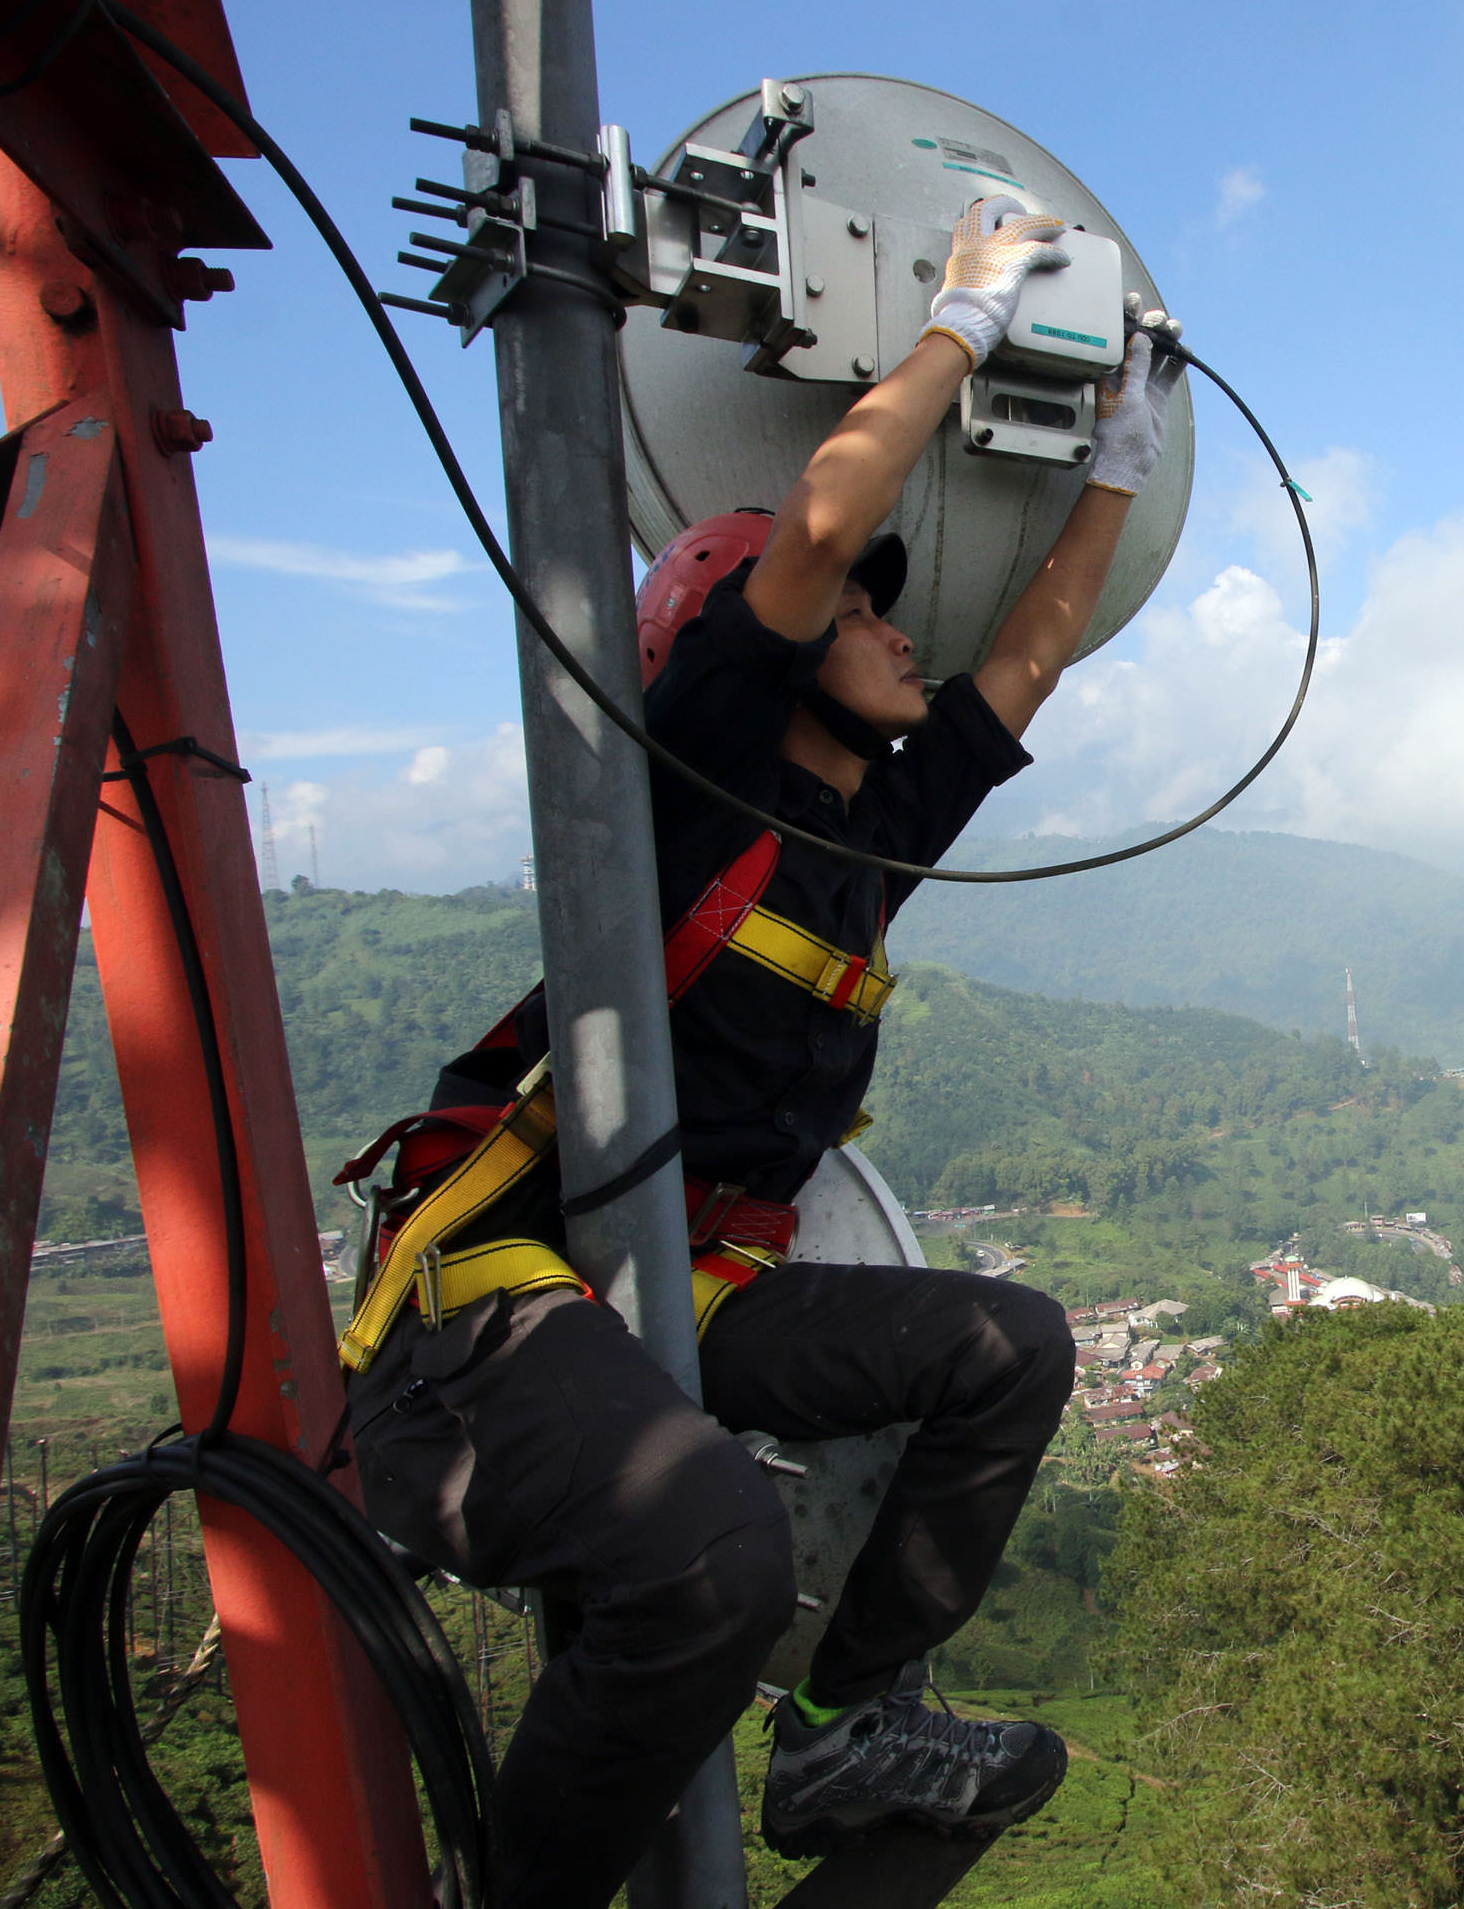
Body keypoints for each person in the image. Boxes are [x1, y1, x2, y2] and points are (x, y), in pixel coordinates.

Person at [331, 196, 1183, 1904]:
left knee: (1005, 1347)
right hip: (498, 1302)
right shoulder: (694, 765)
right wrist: (957, 324)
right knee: (709, 1537)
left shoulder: (873, 829)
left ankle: (846, 1721)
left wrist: (1116, 464)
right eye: (867, 621)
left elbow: (1030, 653)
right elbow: (814, 528)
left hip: (694, 1292)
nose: (899, 633)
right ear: (772, 655)